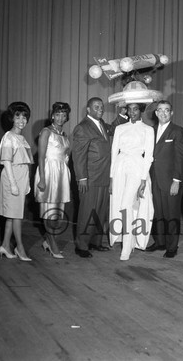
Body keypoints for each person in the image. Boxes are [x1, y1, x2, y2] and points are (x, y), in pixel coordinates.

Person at [109, 103, 155, 261]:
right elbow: (114, 153)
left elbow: (149, 155)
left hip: (137, 167)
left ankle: (127, 247)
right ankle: (128, 239)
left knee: (127, 205)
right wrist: (111, 178)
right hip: (120, 168)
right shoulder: (120, 128)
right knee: (121, 205)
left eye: (135, 109)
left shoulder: (148, 130)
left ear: (141, 110)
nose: (132, 112)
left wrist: (144, 178)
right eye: (130, 109)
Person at [147, 100, 183, 258]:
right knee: (157, 212)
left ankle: (172, 247)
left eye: (167, 110)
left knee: (171, 214)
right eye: (160, 110)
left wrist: (176, 181)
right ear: (156, 113)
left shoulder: (177, 131)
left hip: (170, 180)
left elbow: (181, 158)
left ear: (171, 113)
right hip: (154, 179)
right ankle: (159, 242)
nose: (163, 113)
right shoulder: (151, 130)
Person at [72, 97, 111, 258]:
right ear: (88, 109)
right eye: (96, 107)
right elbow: (78, 155)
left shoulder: (101, 124)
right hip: (90, 178)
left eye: (101, 107)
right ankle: (81, 246)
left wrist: (123, 114)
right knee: (87, 211)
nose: (100, 109)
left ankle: (95, 242)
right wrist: (82, 178)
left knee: (100, 211)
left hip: (104, 176)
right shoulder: (83, 127)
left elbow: (114, 127)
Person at [0, 102, 34, 262]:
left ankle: (5, 245)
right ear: (11, 118)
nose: (21, 120)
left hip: (21, 177)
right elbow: (6, 162)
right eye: (17, 116)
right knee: (17, 216)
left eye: (24, 116)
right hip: (12, 176)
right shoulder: (8, 137)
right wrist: (13, 184)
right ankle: (20, 247)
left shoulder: (22, 138)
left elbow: (26, 162)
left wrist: (26, 183)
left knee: (12, 216)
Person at [35, 102, 71, 259]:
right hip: (49, 173)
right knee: (48, 210)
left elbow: (66, 156)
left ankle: (49, 240)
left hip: (61, 174)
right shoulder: (46, 132)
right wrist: (42, 179)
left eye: (63, 115)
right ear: (52, 116)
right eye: (58, 114)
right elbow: (41, 157)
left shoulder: (64, 135)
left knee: (57, 212)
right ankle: (51, 242)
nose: (61, 118)